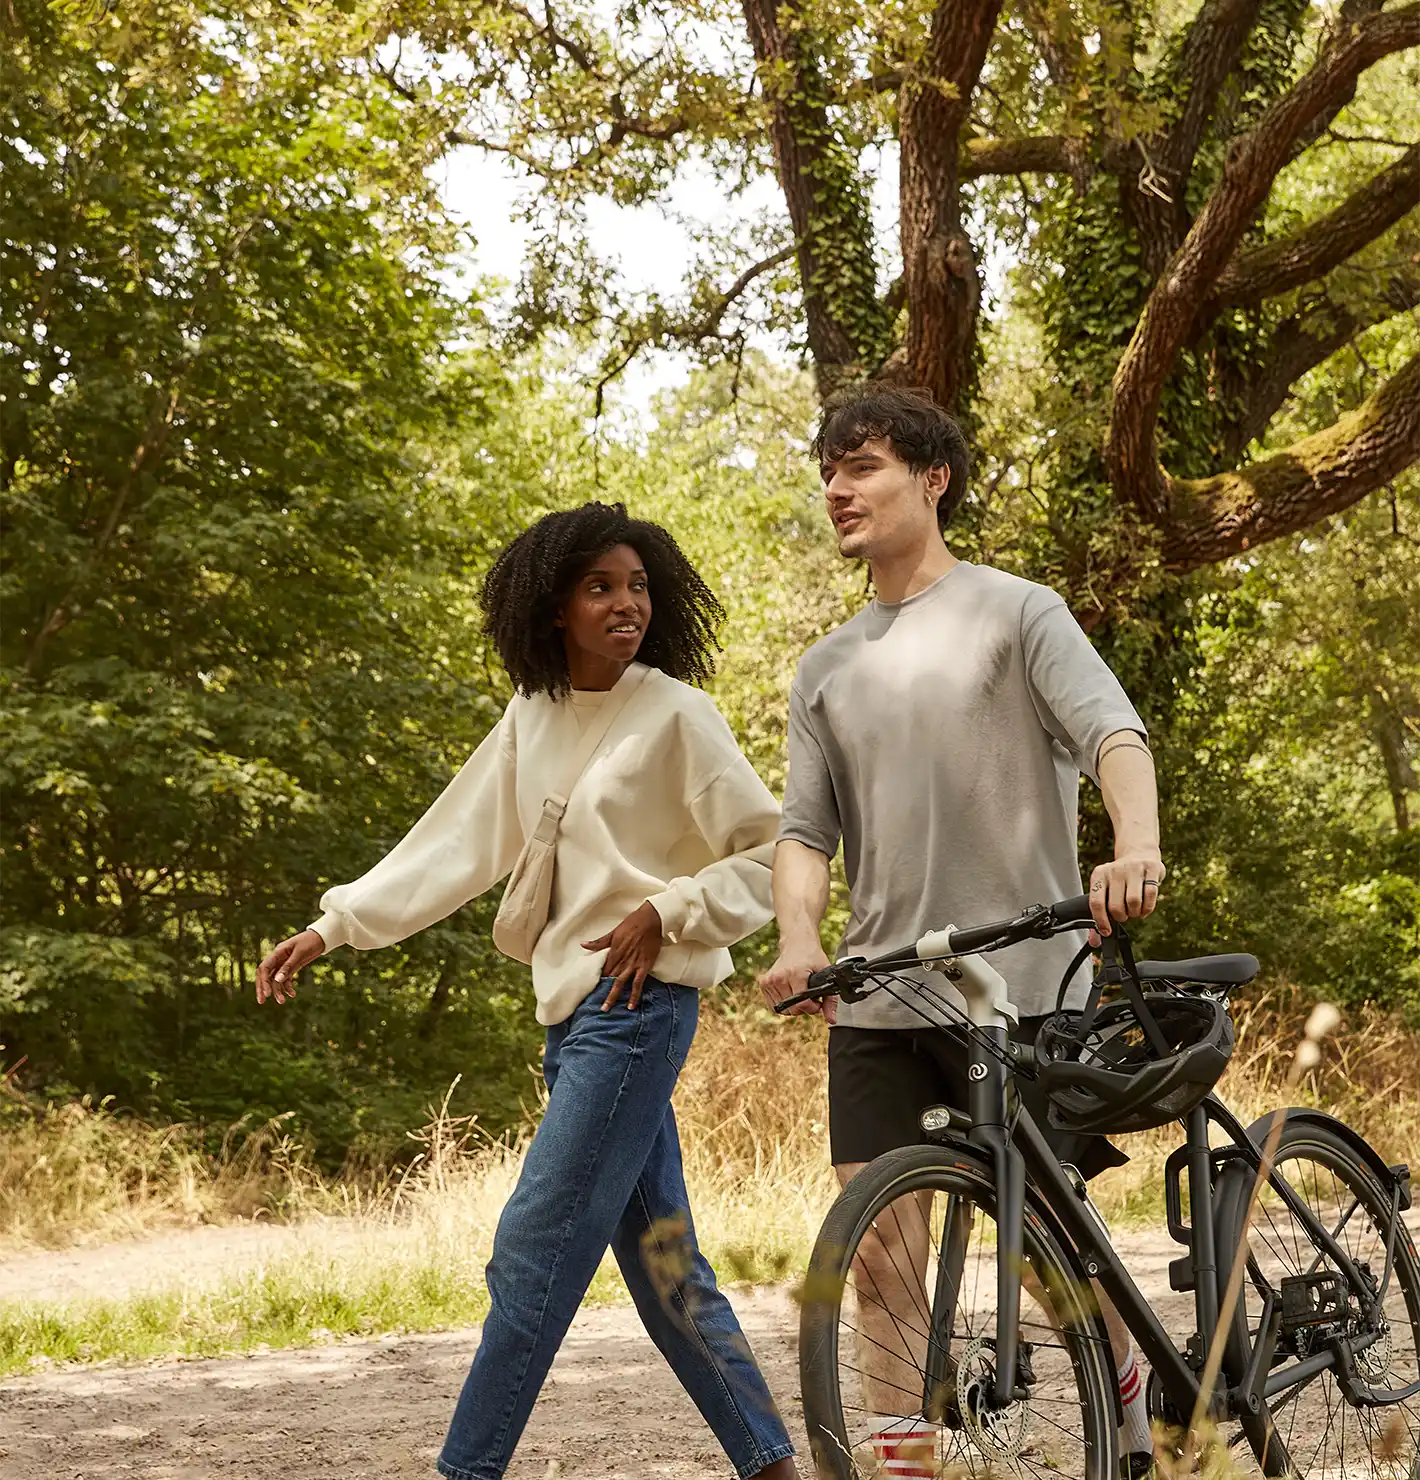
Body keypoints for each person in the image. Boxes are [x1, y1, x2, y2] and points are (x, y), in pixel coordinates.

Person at [256, 502, 799, 1480]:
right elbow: (453, 842)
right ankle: (769, 1464)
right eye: (600, 587)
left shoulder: (679, 714)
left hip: (636, 1011)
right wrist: (332, 925)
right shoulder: (533, 716)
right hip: (571, 1017)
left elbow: (776, 855)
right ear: (554, 608)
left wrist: (668, 910)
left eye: (637, 585)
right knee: (671, 1274)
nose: (625, 602)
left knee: (530, 1246)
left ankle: (464, 1470)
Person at [758, 384, 1165, 1479]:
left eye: (865, 466)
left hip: (1021, 982)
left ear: (933, 479)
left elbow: (1113, 732)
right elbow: (803, 831)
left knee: (1046, 1248)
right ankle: (904, 1466)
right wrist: (801, 939)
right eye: (830, 470)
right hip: (882, 988)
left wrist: (1134, 843)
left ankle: (1123, 1389)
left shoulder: (1016, 610)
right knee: (881, 1255)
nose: (839, 488)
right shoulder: (825, 667)